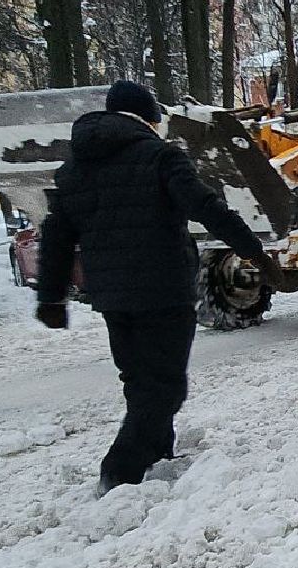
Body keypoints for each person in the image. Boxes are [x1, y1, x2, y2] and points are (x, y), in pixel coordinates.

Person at [35, 80, 282, 495]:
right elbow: (205, 206)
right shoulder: (159, 156)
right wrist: (254, 252)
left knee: (138, 378)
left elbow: (57, 233)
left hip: (112, 296)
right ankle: (121, 468)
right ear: (149, 118)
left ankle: (157, 454)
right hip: (163, 289)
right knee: (164, 384)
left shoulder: (77, 167)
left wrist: (51, 295)